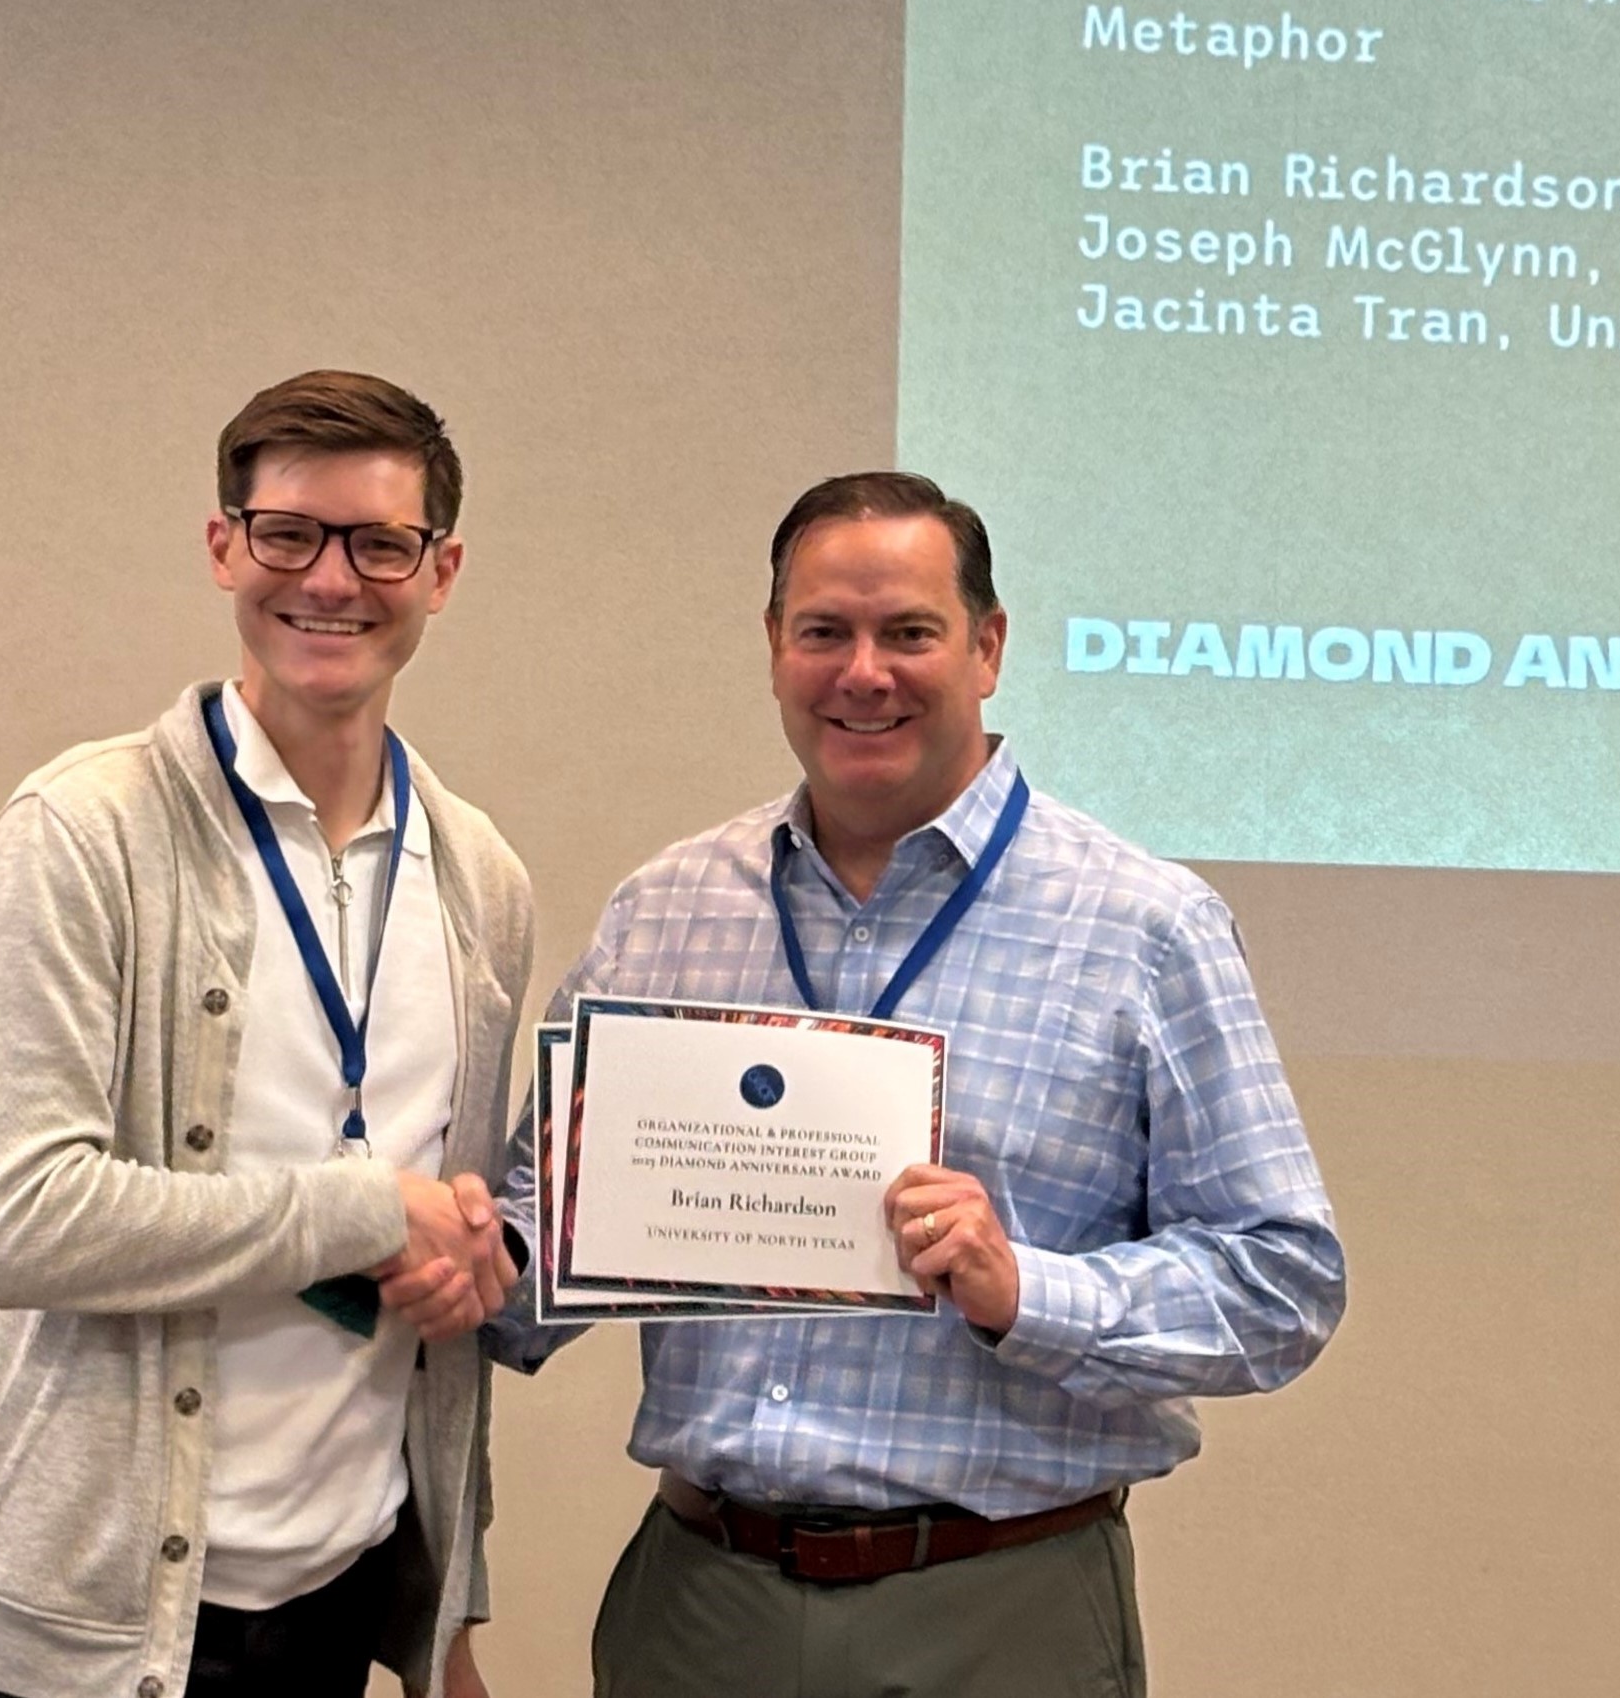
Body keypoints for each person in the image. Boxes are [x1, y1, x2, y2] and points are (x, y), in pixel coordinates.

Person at [490, 471, 1343, 1698]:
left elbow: (1283, 1280)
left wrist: (1025, 1289)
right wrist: (464, 1251)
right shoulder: (667, 907)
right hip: (700, 1604)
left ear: (988, 647)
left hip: (998, 1607)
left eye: (910, 632)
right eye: (823, 631)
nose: (864, 672)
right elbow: (549, 1224)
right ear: (775, 646)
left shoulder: (1145, 926)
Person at [0, 371, 536, 1698]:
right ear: (224, 544)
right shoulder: (86, 830)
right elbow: (24, 1222)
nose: (332, 578)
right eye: (289, 530)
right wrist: (365, 1214)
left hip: (325, 1621)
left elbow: (436, 1302)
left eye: (381, 542)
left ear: (443, 569)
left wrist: (444, 1619)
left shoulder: (482, 884)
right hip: (62, 1643)